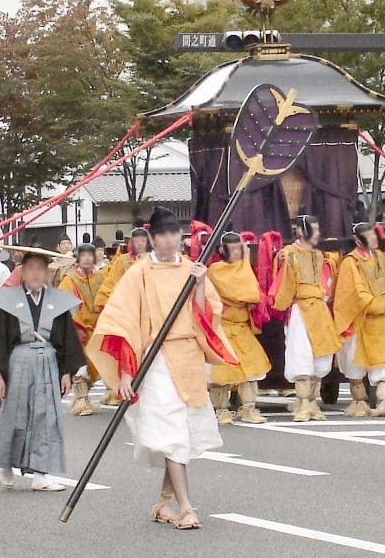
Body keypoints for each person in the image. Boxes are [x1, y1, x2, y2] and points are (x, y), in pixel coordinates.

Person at [86, 206, 237, 530]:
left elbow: (206, 315)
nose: (169, 241)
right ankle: (185, 507)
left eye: (174, 234)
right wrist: (127, 372)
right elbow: (123, 321)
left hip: (187, 357)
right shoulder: (140, 272)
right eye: (162, 235)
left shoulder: (191, 269)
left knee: (182, 433)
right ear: (152, 239)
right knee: (172, 435)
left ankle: (163, 502)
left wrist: (199, 285)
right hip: (153, 361)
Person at [0, 247, 86, 491]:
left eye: (40, 269)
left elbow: (66, 339)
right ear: (22, 272)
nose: (35, 274)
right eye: (30, 269)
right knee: (14, 414)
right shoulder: (9, 302)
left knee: (45, 417)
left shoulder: (57, 302)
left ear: (47, 273)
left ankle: (40, 473)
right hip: (18, 361)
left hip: (47, 361)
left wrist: (66, 372)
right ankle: (6, 462)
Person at [271, 215, 341, 422]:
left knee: (321, 358)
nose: (318, 233)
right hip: (301, 310)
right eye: (315, 229)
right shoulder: (289, 254)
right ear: (302, 231)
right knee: (301, 354)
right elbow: (282, 283)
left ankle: (312, 401)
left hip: (319, 309)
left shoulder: (320, 256)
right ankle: (302, 403)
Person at [334, 223, 385, 417]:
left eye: (374, 236)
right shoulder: (351, 261)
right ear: (358, 241)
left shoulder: (380, 257)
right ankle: (359, 402)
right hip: (360, 319)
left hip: (380, 319)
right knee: (355, 365)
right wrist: (373, 304)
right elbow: (354, 291)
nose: (374, 240)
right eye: (370, 237)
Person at [207, 232, 271, 425]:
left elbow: (253, 295)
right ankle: (222, 409)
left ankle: (248, 407)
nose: (236, 253)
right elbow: (241, 294)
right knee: (221, 372)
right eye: (232, 249)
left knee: (252, 367)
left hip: (242, 326)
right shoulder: (215, 270)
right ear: (222, 250)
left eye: (239, 248)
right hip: (222, 327)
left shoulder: (244, 268)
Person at [58, 243, 108, 414]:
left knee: (97, 363)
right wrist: (74, 326)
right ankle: (81, 399)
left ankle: (88, 396)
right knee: (80, 365)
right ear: (78, 258)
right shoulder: (70, 279)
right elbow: (64, 305)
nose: (87, 258)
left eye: (90, 255)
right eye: (83, 255)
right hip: (78, 329)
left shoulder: (101, 278)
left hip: (98, 328)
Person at [94, 226, 152, 309]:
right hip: (126, 303)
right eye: (136, 241)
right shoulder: (122, 261)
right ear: (131, 243)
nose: (139, 244)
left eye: (143, 241)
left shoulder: (154, 260)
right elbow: (111, 282)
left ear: (148, 243)